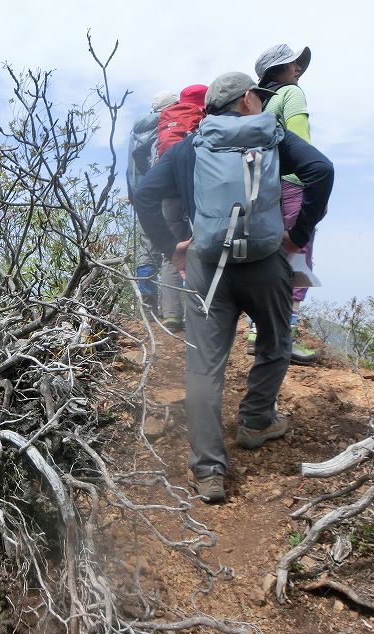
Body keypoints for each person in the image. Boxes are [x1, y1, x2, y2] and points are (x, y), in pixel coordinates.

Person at [134, 72, 334, 503]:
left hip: (209, 268)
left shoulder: (191, 146)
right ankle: (256, 420)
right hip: (265, 263)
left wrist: (172, 248)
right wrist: (297, 234)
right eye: (258, 98)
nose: (260, 103)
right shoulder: (273, 138)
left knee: (204, 366)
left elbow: (145, 195)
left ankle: (208, 470)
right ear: (246, 100)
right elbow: (321, 170)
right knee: (276, 342)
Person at [250, 43, 319, 364]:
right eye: (293, 64)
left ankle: (256, 330)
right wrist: (311, 181)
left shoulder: (260, 103)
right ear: (279, 69)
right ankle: (283, 336)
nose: (299, 69)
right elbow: (300, 139)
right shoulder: (292, 95)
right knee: (297, 255)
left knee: (268, 253)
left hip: (262, 187)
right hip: (292, 185)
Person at [155, 83, 208, 332]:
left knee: (173, 251)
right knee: (204, 246)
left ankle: (172, 315)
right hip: (195, 189)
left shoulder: (168, 120)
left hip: (167, 191)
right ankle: (202, 310)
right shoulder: (203, 117)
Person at [127, 91, 178, 314]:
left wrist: (134, 195)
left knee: (146, 249)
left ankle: (147, 306)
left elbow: (131, 169)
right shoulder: (169, 125)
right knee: (170, 245)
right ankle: (172, 311)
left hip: (142, 195)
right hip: (166, 193)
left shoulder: (136, 132)